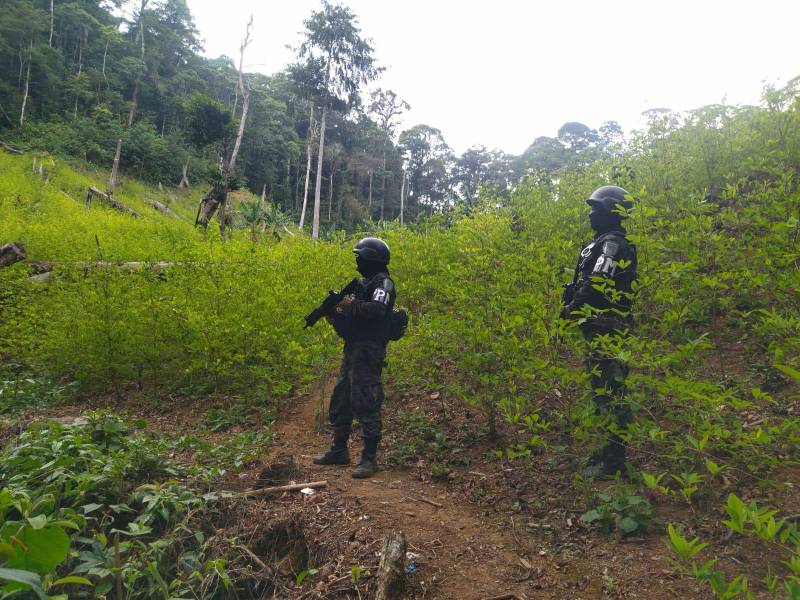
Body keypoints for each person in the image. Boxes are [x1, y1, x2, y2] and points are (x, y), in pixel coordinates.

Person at [561, 185, 638, 478]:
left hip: (608, 328)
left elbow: (597, 283)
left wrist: (573, 308)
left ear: (612, 213)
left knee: (611, 391)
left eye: (598, 209)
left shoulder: (613, 245)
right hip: (599, 329)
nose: (592, 215)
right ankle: (607, 452)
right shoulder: (602, 243)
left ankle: (615, 462)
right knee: (601, 391)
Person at [313, 237, 396, 478]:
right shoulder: (364, 284)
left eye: (360, 257)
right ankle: (339, 450)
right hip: (353, 349)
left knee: (366, 401)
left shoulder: (383, 284)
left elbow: (376, 310)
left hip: (369, 352)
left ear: (372, 259)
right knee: (341, 399)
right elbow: (352, 322)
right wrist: (334, 316)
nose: (357, 262)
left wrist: (347, 304)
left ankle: (369, 459)